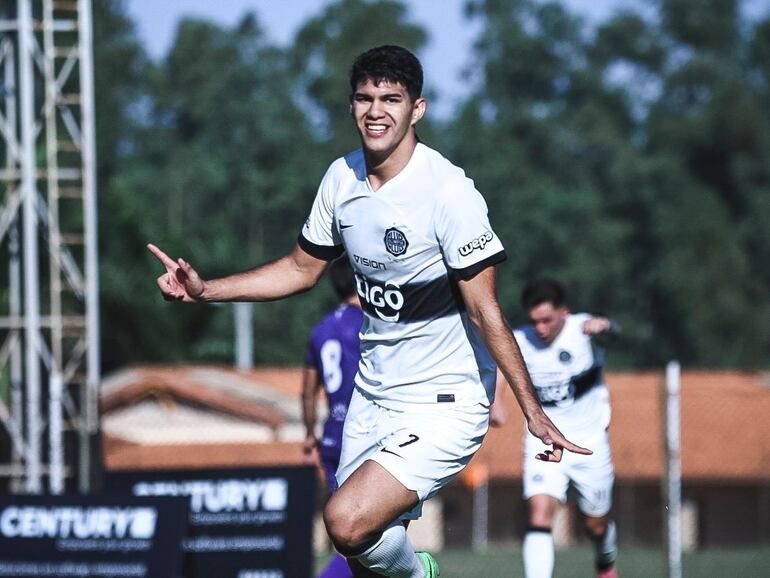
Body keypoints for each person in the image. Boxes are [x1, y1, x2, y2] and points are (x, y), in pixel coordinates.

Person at [149, 45, 590, 578]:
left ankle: (420, 572)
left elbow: (485, 311)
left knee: (346, 520)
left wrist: (532, 410)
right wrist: (205, 291)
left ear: (417, 109)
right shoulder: (342, 179)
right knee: (362, 560)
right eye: (364, 98)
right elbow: (299, 269)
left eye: (391, 98)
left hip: (444, 399)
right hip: (373, 393)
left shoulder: (449, 194)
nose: (375, 110)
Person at [494, 278, 619, 578]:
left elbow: (613, 331)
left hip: (590, 443)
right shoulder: (521, 340)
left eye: (547, 320)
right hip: (544, 440)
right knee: (539, 512)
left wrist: (606, 326)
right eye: (534, 321)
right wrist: (496, 401)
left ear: (565, 312)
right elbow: (501, 365)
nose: (540, 328)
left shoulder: (583, 329)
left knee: (595, 524)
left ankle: (605, 560)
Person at [302, 258, 362, 578]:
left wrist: (310, 433)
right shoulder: (371, 324)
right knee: (368, 538)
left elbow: (309, 389)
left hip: (331, 437)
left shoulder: (321, 329)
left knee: (352, 533)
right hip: (364, 435)